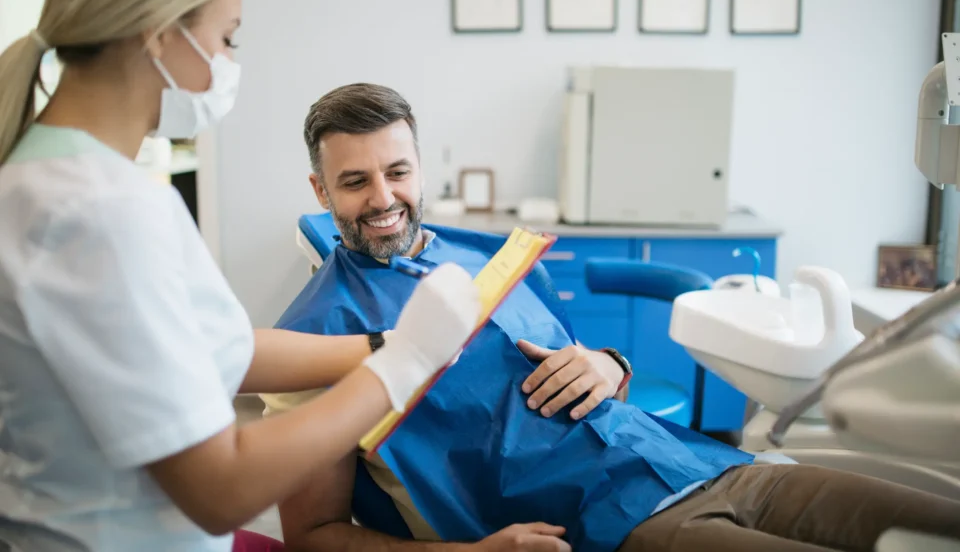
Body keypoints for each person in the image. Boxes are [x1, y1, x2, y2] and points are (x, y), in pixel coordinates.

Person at [262, 82, 960, 552]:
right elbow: (316, 534)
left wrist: (611, 364)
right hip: (616, 525)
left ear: (421, 168)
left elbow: (572, 368)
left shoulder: (489, 253)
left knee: (937, 529)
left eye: (398, 171)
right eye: (355, 181)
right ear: (321, 189)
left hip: (698, 462)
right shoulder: (313, 338)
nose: (384, 197)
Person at [0, 0, 485, 551]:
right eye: (227, 37)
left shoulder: (60, 179)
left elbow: (213, 346)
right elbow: (219, 489)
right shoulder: (96, 213)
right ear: (160, 33)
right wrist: (405, 365)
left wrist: (382, 341)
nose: (230, 61)